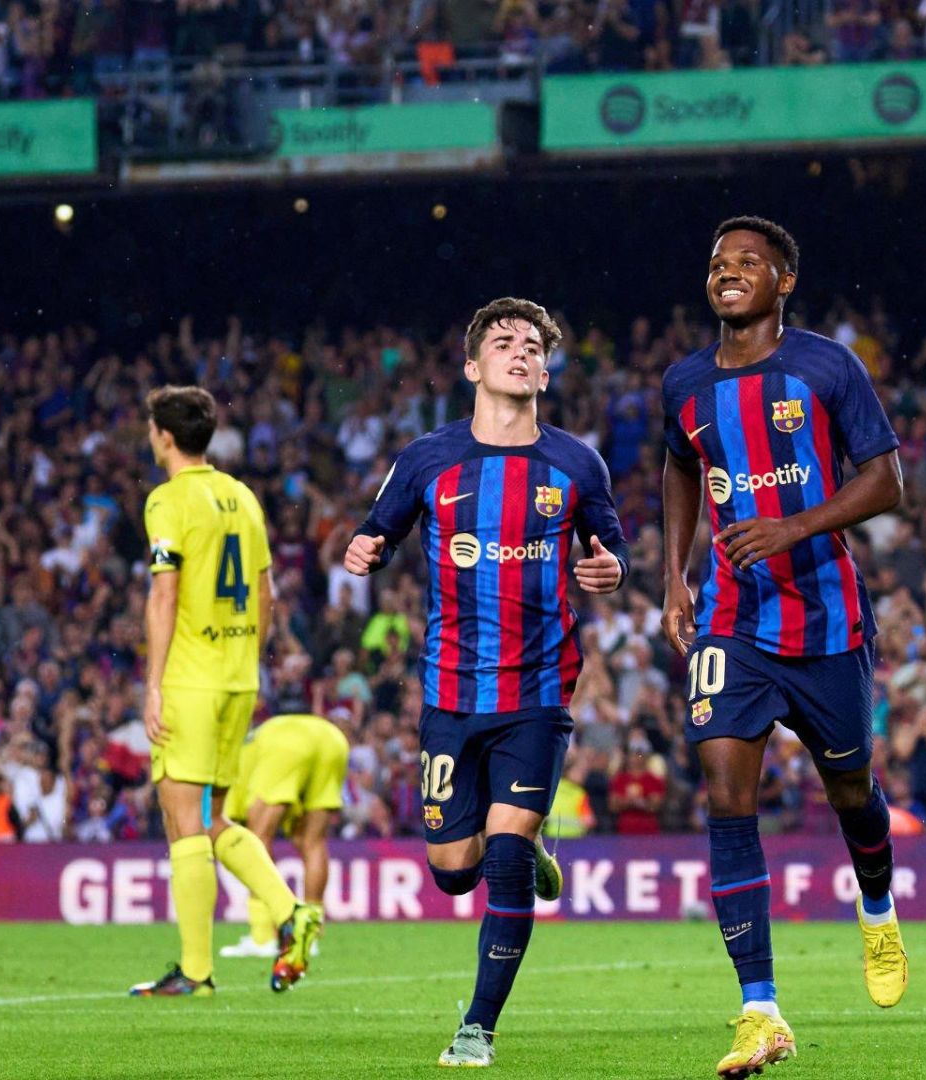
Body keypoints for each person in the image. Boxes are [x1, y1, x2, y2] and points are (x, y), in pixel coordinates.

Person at [344, 297, 629, 1068]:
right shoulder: (428, 457)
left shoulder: (576, 462)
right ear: (472, 367)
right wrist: (363, 549)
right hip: (448, 695)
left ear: (545, 368)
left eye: (532, 345)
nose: (519, 352)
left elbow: (611, 548)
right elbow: (380, 528)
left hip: (537, 694)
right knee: (453, 875)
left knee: (499, 860)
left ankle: (477, 1027)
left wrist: (608, 567)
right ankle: (523, 852)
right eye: (502, 342)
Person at [659, 216, 907, 1078]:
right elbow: (680, 465)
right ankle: (759, 1008)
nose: (728, 272)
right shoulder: (684, 382)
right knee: (726, 793)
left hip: (826, 619)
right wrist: (674, 575)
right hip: (731, 617)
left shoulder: (826, 365)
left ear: (783, 281)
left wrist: (793, 525)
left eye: (749, 263)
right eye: (718, 261)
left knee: (850, 789)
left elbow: (887, 479)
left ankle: (876, 903)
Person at [130, 385, 316, 999]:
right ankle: (291, 913)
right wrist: (245, 658)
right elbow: (266, 593)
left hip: (191, 678)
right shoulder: (242, 496)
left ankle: (196, 972)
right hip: (237, 677)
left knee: (183, 822)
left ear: (163, 435)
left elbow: (164, 592)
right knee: (213, 818)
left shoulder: (167, 500)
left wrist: (153, 686)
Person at [219, 707, 351, 959]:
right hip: (332, 739)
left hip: (286, 743)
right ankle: (309, 935)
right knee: (312, 842)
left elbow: (235, 831)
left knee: (255, 840)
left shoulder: (229, 767)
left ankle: (262, 937)